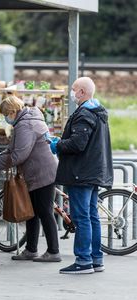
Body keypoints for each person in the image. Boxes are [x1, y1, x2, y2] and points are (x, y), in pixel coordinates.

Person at [49, 77, 113, 274]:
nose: (72, 92)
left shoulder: (84, 114)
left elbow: (78, 144)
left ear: (82, 92)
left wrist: (56, 144)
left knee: (82, 217)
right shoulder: (99, 113)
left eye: (74, 89)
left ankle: (83, 260)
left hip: (80, 173)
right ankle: (96, 259)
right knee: (91, 216)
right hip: (93, 171)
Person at [0, 95, 61, 262]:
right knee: (32, 212)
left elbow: (19, 155)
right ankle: (31, 249)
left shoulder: (25, 125)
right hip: (38, 172)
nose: (6, 119)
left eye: (6, 114)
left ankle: (53, 251)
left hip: (42, 173)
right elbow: (14, 149)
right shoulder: (28, 120)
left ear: (13, 111)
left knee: (44, 211)